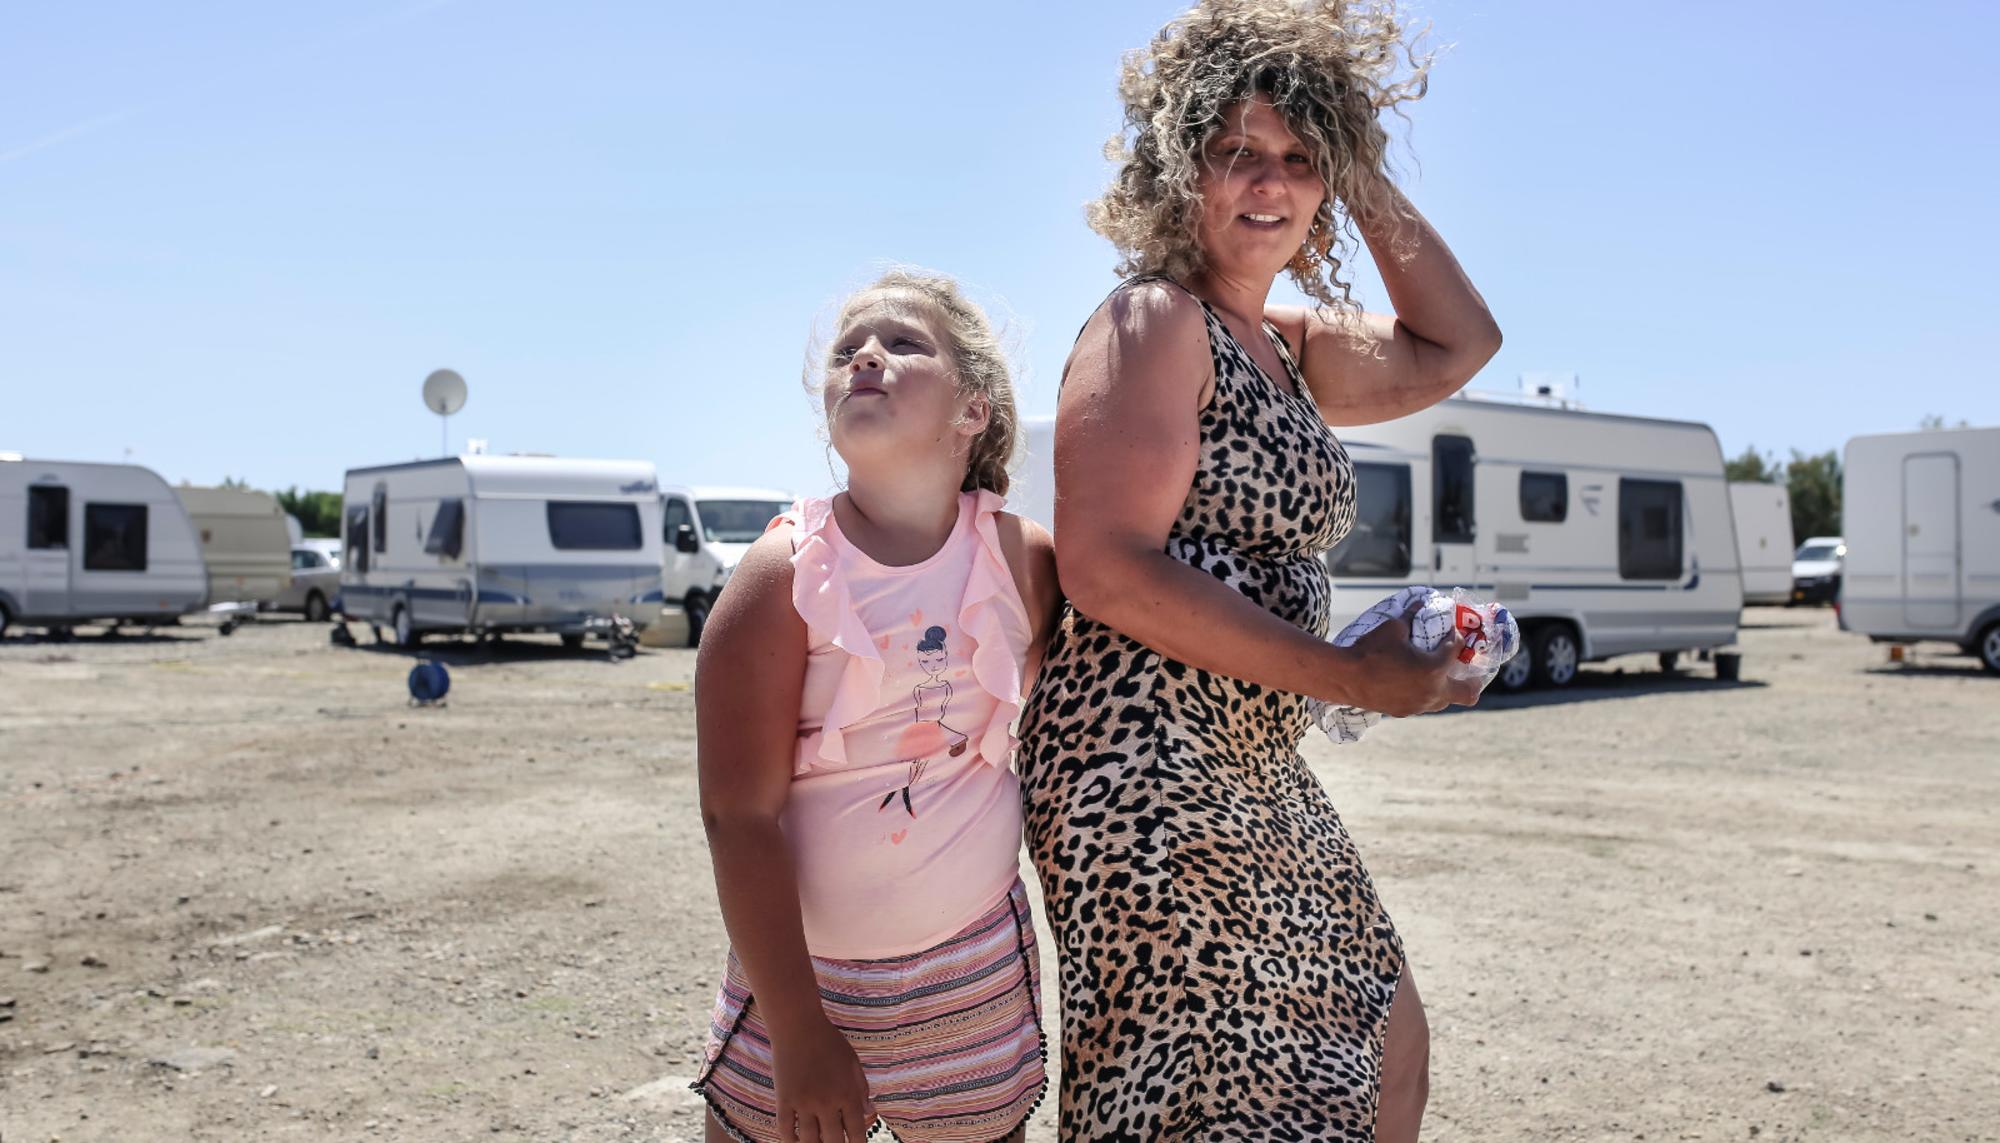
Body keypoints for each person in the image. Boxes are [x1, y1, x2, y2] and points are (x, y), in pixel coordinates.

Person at [1016, 2, 1504, 1140]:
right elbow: (1106, 571)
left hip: (1245, 760)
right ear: (1178, 164)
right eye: (1238, 152)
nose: (1268, 184)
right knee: (1195, 1103)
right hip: (1140, 773)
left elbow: (1457, 345)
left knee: (1379, 1041)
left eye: (1298, 160)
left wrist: (1357, 161)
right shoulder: (1153, 320)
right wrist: (1350, 677)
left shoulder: (1282, 342)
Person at [691, 270, 1063, 1143]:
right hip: (797, 975)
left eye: (903, 343)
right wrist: (797, 1030)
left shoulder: (1025, 561)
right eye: (847, 348)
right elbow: (736, 815)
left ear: (973, 408)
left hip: (968, 965)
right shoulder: (783, 573)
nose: (864, 354)